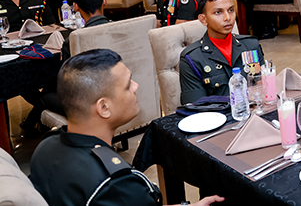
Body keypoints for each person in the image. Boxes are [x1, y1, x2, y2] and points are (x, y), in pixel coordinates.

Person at [30, 49, 225, 206]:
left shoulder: (45, 147)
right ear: (104, 108)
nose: (136, 86)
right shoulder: (117, 184)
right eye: (127, 85)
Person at [180, 0, 264, 104]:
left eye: (231, 10)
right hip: (216, 115)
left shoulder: (251, 45)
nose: (227, 18)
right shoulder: (192, 58)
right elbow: (196, 105)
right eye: (218, 12)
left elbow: (263, 87)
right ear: (203, 19)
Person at [47, 0, 111, 115]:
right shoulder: (124, 29)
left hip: (88, 106)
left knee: (46, 94)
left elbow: (67, 82)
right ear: (104, 1)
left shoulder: (73, 40)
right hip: (117, 94)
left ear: (75, 7)